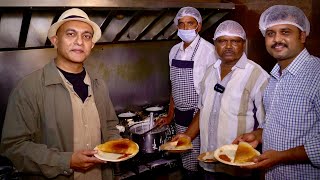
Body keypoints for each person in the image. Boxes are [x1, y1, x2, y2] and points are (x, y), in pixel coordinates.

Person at [0, 8, 121, 180]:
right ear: (55, 40)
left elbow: (110, 126)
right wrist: (66, 161)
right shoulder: (29, 88)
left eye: (86, 36)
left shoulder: (98, 83)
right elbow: (13, 147)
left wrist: (117, 146)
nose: (80, 41)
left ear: (92, 44)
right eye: (71, 34)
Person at [172, 20, 269, 179]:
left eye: (235, 41)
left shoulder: (258, 76)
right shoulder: (210, 72)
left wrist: (257, 137)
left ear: (243, 44)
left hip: (237, 167)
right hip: (207, 163)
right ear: (215, 44)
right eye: (222, 41)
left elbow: (268, 126)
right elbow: (203, 109)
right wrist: (188, 136)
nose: (229, 46)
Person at [233, 5, 320, 179]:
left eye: (285, 32)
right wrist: (257, 136)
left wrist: (282, 156)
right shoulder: (274, 77)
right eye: (270, 33)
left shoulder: (316, 74)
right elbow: (278, 124)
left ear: (302, 36)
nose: (277, 39)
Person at [155, 6, 216, 177]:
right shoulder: (174, 51)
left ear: (199, 26)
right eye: (181, 24)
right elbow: (174, 86)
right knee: (186, 165)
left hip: (200, 116)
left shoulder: (209, 51)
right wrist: (169, 115)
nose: (185, 28)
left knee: (202, 165)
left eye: (190, 23)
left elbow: (212, 93)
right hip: (180, 116)